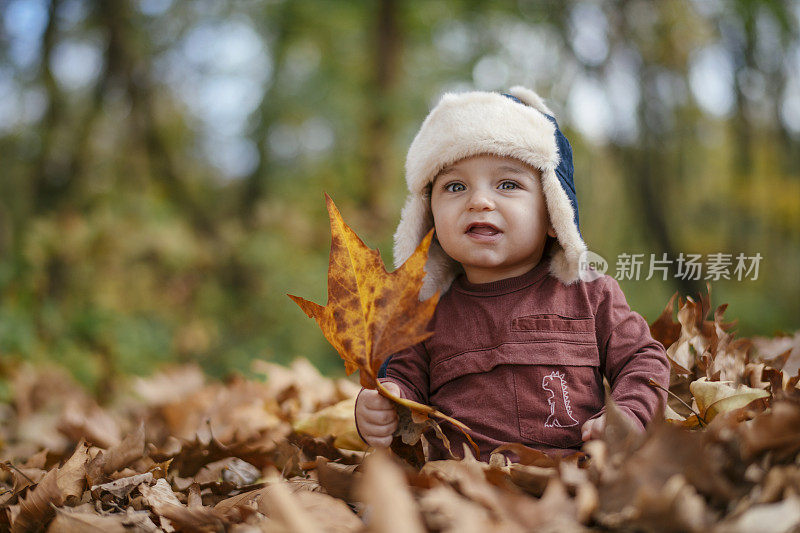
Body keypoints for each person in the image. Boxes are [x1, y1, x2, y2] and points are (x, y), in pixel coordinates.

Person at [353, 86, 670, 463]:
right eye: (456, 186)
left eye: (508, 184)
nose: (479, 201)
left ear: (554, 213)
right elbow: (402, 387)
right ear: (428, 220)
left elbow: (643, 359)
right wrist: (379, 405)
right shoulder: (426, 314)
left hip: (575, 476)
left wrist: (628, 415)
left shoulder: (591, 294)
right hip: (464, 491)